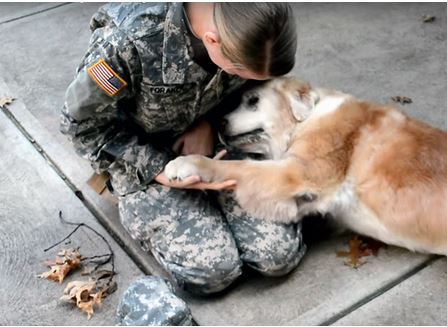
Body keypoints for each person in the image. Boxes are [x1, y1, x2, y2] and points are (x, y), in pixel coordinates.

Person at [60, 3, 306, 323]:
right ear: (212, 40)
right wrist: (159, 168)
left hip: (215, 139)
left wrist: (207, 123)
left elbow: (255, 89)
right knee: (214, 272)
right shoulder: (128, 42)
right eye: (236, 70)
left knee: (277, 256)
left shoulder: (256, 17)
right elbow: (80, 125)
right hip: (145, 155)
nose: (237, 77)